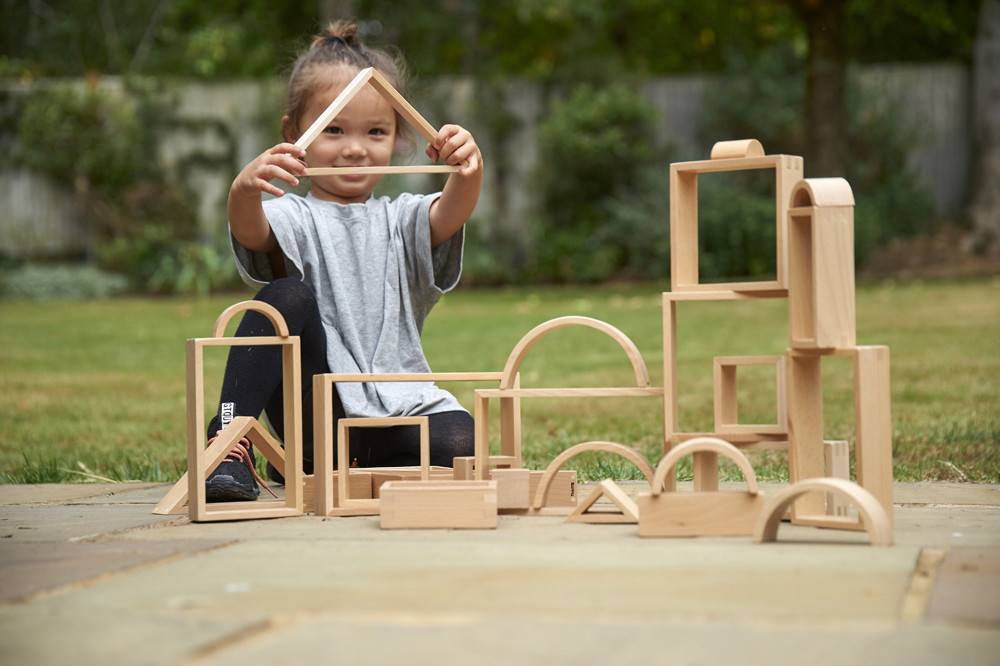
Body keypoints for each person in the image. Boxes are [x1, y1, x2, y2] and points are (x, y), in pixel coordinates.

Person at [204, 20, 483, 502]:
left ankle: (334, 462)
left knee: (461, 440)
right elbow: (252, 231)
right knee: (285, 296)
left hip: (394, 406)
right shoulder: (292, 215)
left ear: (398, 139)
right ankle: (229, 444)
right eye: (333, 129)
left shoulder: (403, 218)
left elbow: (451, 212)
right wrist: (242, 191)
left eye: (375, 131)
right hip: (315, 408)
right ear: (294, 133)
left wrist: (468, 170)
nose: (355, 149)